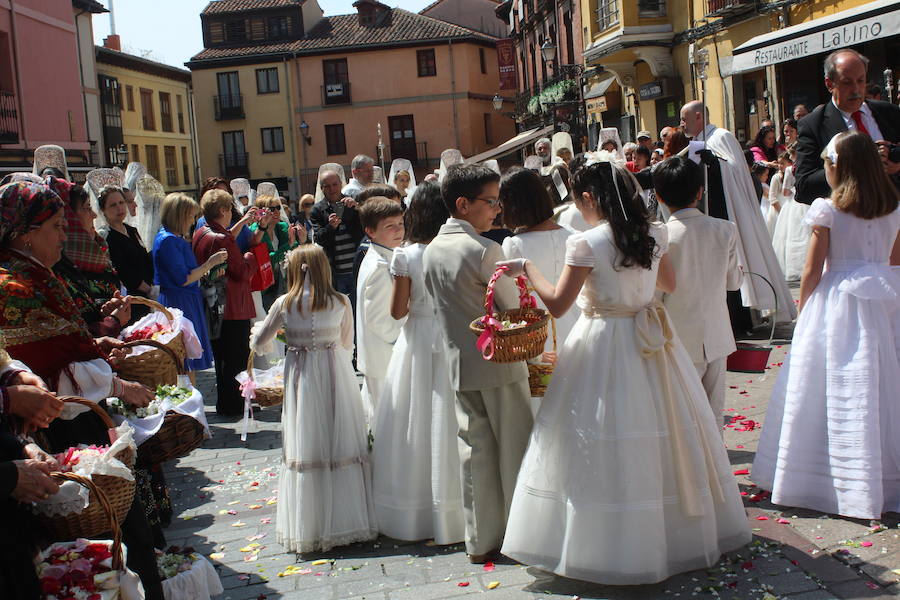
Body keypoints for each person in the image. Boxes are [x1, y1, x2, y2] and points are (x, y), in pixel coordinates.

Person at [497, 156, 751, 584]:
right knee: (663, 431)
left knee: (601, 435)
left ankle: (607, 542)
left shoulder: (587, 242)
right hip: (650, 341)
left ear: (590, 198)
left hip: (602, 340)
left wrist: (528, 268)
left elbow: (557, 303)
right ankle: (672, 533)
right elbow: (668, 284)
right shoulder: (653, 231)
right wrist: (638, 286)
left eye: (581, 199)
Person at [0, 180, 164, 598]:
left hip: (72, 422)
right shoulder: (12, 286)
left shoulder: (40, 275)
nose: (65, 234)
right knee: (102, 543)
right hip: (54, 430)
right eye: (56, 226)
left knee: (125, 535)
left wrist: (101, 338)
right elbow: (50, 361)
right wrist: (114, 379)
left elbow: (67, 344)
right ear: (25, 233)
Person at [752, 131, 900, 519]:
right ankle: (877, 476)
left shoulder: (828, 209)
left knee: (825, 381)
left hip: (836, 300)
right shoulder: (893, 207)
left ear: (837, 168)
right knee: (877, 385)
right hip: (882, 299)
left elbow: (812, 268)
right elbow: (894, 263)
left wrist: (804, 308)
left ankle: (823, 475)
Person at [422, 164, 533, 563]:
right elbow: (514, 306)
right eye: (490, 202)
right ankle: (524, 534)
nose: (497, 210)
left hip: (460, 364)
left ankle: (480, 539)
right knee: (516, 449)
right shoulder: (485, 250)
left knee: (475, 454)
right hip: (499, 362)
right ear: (463, 204)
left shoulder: (432, 250)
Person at [250, 244, 376, 552]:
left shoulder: (285, 303)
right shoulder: (340, 301)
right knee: (340, 439)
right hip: (336, 374)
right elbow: (347, 343)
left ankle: (312, 524)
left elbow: (261, 341)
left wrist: (272, 336)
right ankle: (347, 520)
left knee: (307, 442)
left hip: (302, 377)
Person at [371, 181, 464, 545]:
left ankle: (412, 509)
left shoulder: (406, 256)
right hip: (450, 335)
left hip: (417, 340)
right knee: (449, 418)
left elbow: (397, 312)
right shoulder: (452, 249)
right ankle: (454, 510)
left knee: (413, 420)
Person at [680, 99, 796, 325]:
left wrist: (715, 163)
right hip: (708, 212)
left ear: (698, 117)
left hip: (729, 212)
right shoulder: (695, 142)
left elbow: (735, 171)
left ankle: (743, 318)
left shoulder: (720, 137)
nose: (681, 124)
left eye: (684, 119)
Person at [654, 157, 743, 425]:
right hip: (717, 334)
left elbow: (656, 294)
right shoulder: (725, 229)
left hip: (677, 336)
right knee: (714, 411)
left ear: (658, 197)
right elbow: (734, 283)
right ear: (700, 191)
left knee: (683, 415)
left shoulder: (661, 236)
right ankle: (717, 464)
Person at [499, 167, 578, 414]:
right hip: (579, 330)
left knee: (544, 410)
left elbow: (510, 298)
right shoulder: (575, 237)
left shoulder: (514, 245)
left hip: (537, 339)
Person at [794, 49, 900, 205]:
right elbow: (804, 188)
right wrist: (851, 166)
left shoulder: (889, 113)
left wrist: (896, 165)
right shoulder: (813, 125)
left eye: (861, 81)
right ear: (829, 84)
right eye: (847, 82)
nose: (856, 89)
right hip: (851, 221)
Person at [193, 189, 257, 417]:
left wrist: (242, 222)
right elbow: (241, 272)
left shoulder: (201, 232)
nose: (232, 212)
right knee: (236, 356)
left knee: (221, 357)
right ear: (222, 210)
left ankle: (225, 402)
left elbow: (225, 236)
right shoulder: (221, 238)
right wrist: (250, 257)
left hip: (213, 303)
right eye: (230, 208)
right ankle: (235, 404)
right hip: (232, 305)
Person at [153, 193, 227, 374]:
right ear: (180, 216)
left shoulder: (171, 237)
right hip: (180, 301)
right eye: (190, 216)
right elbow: (184, 278)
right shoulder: (169, 240)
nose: (193, 221)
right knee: (184, 358)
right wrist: (211, 263)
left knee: (186, 358)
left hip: (183, 299)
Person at [49, 179, 127, 337]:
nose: (93, 215)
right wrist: (112, 320)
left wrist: (107, 308)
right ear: (70, 219)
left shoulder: (96, 249)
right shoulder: (54, 270)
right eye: (86, 208)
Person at [355, 198, 406, 423]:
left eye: (401, 224)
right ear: (370, 231)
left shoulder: (385, 255)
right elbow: (377, 318)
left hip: (381, 357)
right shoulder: (379, 266)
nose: (398, 230)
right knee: (387, 422)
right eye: (389, 226)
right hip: (385, 358)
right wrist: (402, 342)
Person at [99, 186, 156, 313]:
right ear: (103, 210)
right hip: (131, 301)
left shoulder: (131, 230)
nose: (119, 208)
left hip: (148, 295)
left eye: (121, 202)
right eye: (113, 205)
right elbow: (124, 272)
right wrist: (149, 290)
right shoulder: (108, 238)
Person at [310, 170, 364, 295]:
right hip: (336, 272)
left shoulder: (352, 203)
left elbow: (368, 227)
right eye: (327, 186)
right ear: (322, 188)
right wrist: (331, 227)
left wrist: (358, 208)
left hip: (358, 268)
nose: (332, 189)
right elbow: (319, 238)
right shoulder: (317, 210)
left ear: (341, 184)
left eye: (334, 184)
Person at [249, 194, 303, 308]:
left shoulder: (281, 226)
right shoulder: (255, 231)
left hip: (283, 280)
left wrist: (302, 241)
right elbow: (268, 259)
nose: (277, 212)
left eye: (278, 208)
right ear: (262, 212)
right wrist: (289, 245)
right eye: (272, 209)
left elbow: (294, 249)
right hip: (264, 284)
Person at [772, 150, 809, 281]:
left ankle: (794, 267)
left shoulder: (789, 170)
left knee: (791, 235)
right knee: (805, 234)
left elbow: (785, 192)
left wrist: (792, 189)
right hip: (806, 203)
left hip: (793, 203)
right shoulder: (808, 167)